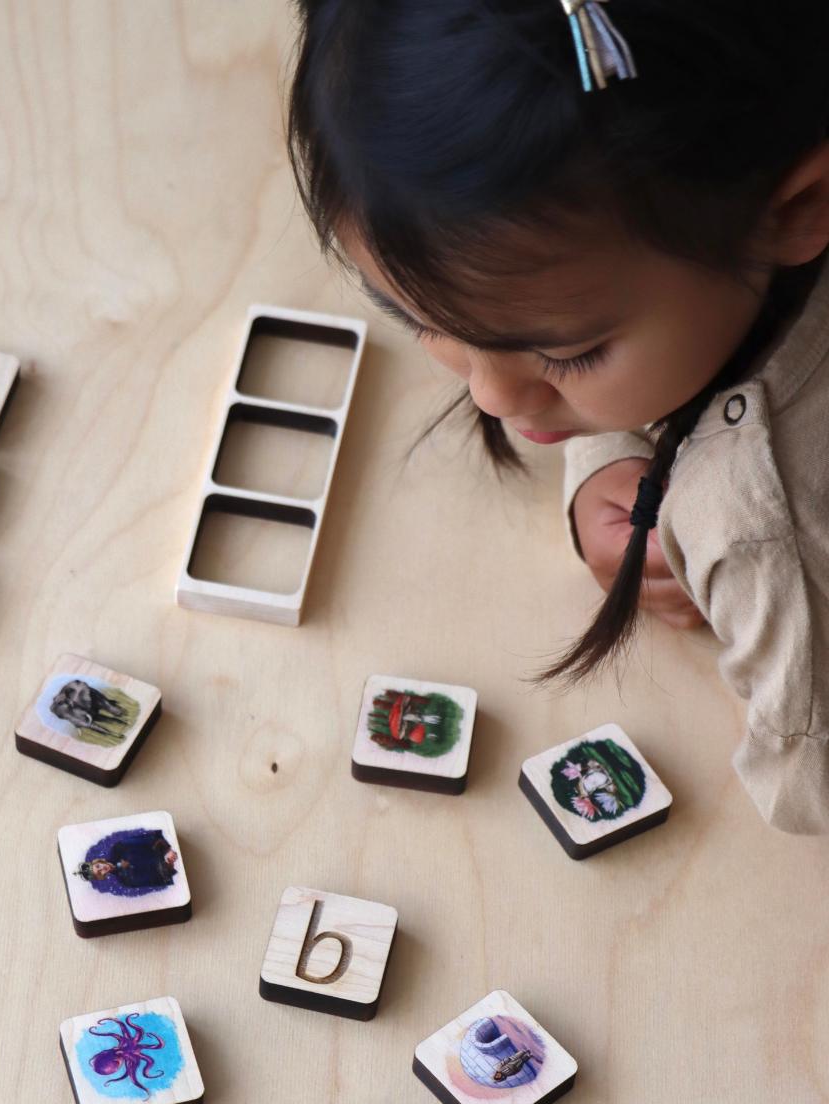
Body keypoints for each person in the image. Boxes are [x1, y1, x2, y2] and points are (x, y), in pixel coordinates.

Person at [285, 0, 829, 832]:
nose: (490, 398)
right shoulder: (719, 164)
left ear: (795, 210)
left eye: (566, 355)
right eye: (421, 320)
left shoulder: (760, 533)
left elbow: (809, 781)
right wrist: (604, 444)